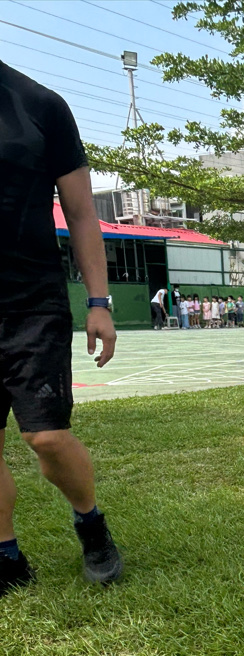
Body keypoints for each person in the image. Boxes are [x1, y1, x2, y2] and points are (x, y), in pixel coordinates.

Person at [0, 60, 123, 596]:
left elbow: (81, 214)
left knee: (46, 435)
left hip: (32, 302)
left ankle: (90, 523)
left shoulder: (40, 105)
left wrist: (99, 302)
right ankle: (7, 555)